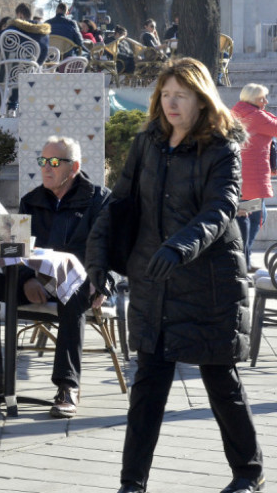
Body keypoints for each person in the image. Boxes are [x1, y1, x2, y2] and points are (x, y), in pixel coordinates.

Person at [86, 58, 263, 493]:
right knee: (147, 386)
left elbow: (220, 208)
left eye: (180, 95)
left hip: (210, 283)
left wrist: (180, 245)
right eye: (165, 94)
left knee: (220, 381)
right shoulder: (148, 142)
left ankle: (248, 473)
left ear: (201, 100)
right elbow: (120, 203)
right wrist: (99, 262)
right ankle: (132, 482)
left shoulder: (222, 147)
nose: (171, 103)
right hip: (154, 279)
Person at [0, 136, 110, 418]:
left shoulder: (99, 200)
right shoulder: (31, 200)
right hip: (36, 282)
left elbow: (110, 246)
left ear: (73, 167)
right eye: (43, 161)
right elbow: (15, 248)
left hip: (80, 282)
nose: (46, 169)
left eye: (53, 163)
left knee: (70, 294)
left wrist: (103, 281)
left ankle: (67, 386)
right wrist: (26, 279)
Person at [232, 83, 277, 267]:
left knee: (256, 217)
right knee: (251, 223)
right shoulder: (257, 117)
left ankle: (245, 260)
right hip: (253, 181)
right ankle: (243, 264)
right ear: (252, 100)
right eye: (262, 99)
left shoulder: (235, 112)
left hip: (239, 179)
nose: (266, 101)